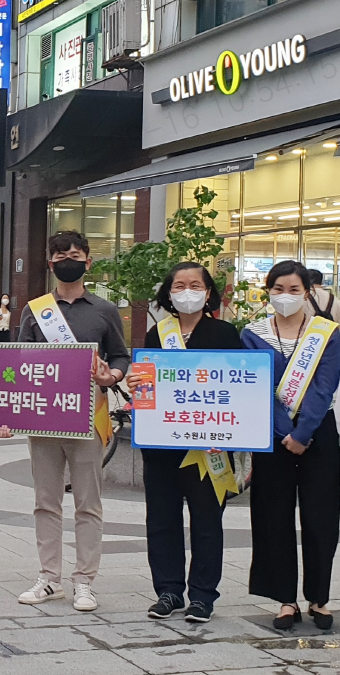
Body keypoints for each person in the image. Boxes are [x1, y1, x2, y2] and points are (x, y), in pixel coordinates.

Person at [0, 232, 129, 612]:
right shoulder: (34, 310)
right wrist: (6, 414)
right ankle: (49, 577)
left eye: (75, 255)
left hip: (89, 417)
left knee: (88, 502)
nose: (67, 260)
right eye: (60, 255)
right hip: (43, 419)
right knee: (45, 501)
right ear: (50, 262)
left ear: (88, 262)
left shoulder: (104, 310)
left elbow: (120, 356)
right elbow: (17, 363)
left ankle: (84, 580)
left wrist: (113, 378)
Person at [125, 262, 244, 624]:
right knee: (161, 519)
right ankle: (169, 591)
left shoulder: (224, 333)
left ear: (208, 293)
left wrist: (229, 437)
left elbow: (238, 389)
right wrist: (136, 387)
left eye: (196, 285)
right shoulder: (156, 334)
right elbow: (148, 390)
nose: (187, 291)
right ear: (169, 292)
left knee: (207, 521)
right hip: (161, 446)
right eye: (180, 285)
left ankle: (203, 596)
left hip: (208, 449)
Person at [241, 261, 340, 631]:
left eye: (294, 290)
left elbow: (324, 385)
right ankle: (285, 599)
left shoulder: (326, 333)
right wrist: (283, 430)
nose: (286, 297)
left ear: (309, 292)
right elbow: (253, 386)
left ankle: (319, 598)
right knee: (273, 516)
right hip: (270, 437)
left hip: (318, 434)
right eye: (278, 289)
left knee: (320, 516)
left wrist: (302, 434)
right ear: (267, 291)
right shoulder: (251, 334)